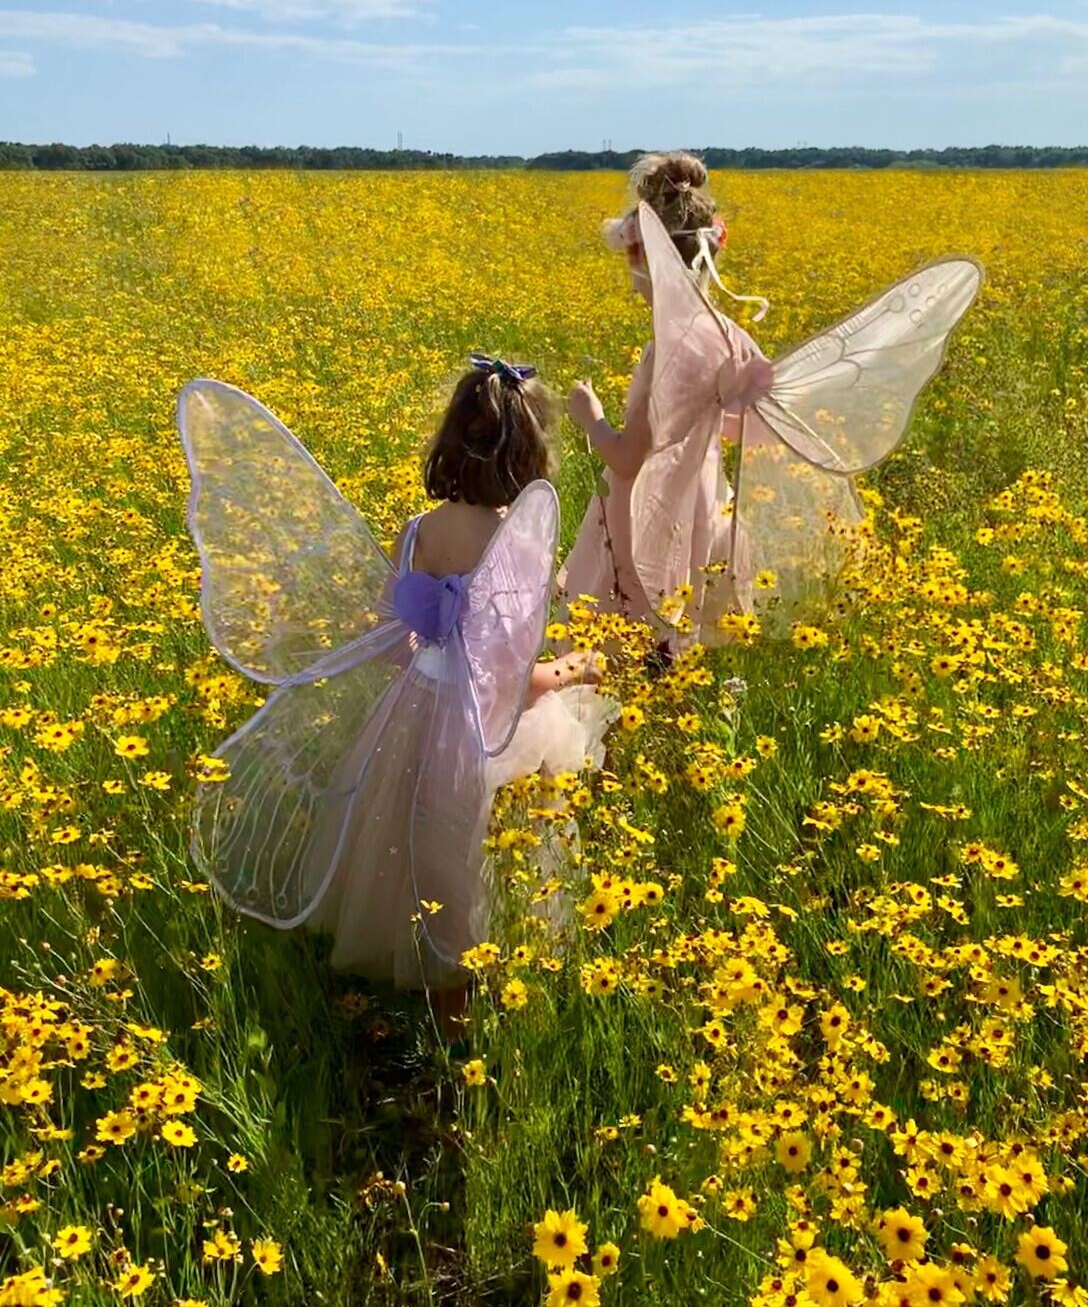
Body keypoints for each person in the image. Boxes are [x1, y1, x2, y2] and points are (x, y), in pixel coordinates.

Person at [178, 358, 616, 1036]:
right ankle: (464, 1020)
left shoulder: (420, 529)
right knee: (482, 857)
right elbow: (514, 678)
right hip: (487, 730)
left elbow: (391, 639)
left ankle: (432, 993)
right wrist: (575, 669)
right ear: (532, 451)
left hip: (413, 707)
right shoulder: (514, 540)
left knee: (414, 847)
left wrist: (435, 649)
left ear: (449, 439)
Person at [561, 152, 982, 640]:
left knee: (626, 634)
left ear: (644, 257)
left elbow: (629, 457)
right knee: (682, 628)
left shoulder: (668, 351)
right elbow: (741, 422)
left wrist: (589, 417)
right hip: (701, 502)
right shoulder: (727, 335)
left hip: (646, 511)